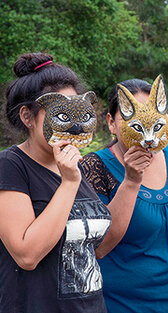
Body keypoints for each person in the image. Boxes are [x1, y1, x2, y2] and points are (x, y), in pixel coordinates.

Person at [81, 78, 168, 313]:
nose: (146, 134)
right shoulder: (94, 167)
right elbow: (99, 247)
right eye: (134, 121)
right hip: (122, 306)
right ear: (111, 123)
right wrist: (131, 181)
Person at [0, 52, 111, 312]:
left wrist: (132, 181)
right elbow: (26, 255)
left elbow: (98, 247)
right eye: (62, 115)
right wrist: (69, 183)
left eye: (79, 113)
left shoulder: (74, 165)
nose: (74, 127)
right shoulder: (10, 166)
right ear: (28, 117)